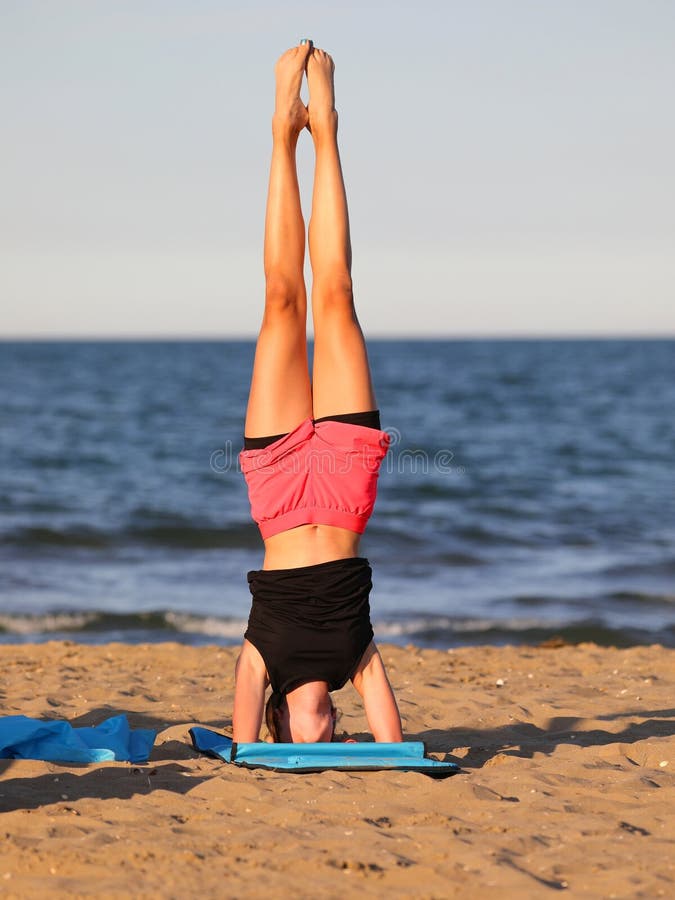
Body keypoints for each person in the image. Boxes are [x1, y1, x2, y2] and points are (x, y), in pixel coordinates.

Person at [232, 40, 402, 744]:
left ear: (280, 720)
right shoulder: (352, 662)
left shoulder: (259, 663)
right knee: (334, 297)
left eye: (316, 740)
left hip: (275, 492)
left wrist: (249, 745)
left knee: (279, 302)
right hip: (343, 480)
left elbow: (238, 748)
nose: (328, 735)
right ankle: (326, 130)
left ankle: (281, 132)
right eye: (335, 738)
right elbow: (395, 746)